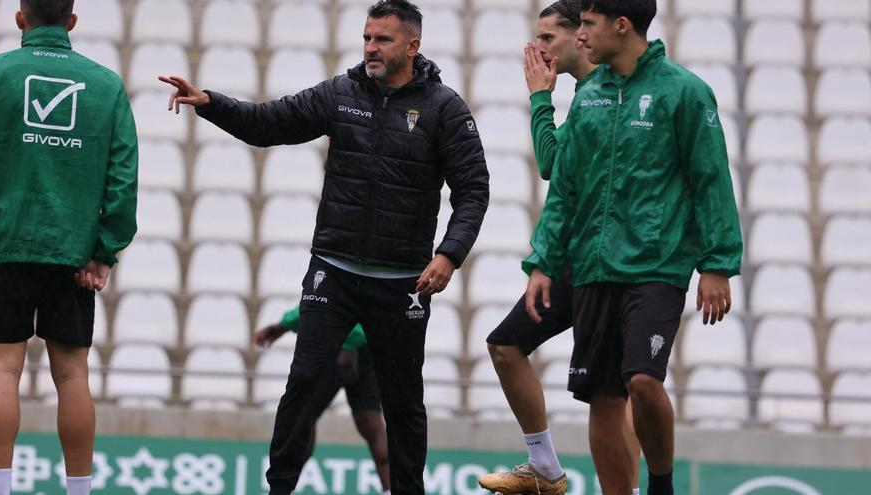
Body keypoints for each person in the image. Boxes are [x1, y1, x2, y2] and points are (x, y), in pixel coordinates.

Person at [159, 1, 489, 492]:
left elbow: (473, 189)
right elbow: (269, 122)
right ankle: (279, 488)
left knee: (402, 402)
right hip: (332, 270)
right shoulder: (341, 93)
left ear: (413, 46)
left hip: (402, 281)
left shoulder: (444, 108)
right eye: (367, 38)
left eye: (383, 39)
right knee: (305, 381)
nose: (370, 48)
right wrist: (211, 102)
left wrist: (449, 254)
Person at [522, 0, 743, 494]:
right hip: (596, 266)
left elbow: (711, 181)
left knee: (643, 382)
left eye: (589, 25)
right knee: (602, 397)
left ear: (622, 26)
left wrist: (717, 264)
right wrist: (543, 261)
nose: (580, 36)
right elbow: (566, 188)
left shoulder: (685, 92)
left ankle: (661, 483)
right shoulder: (589, 96)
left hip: (657, 266)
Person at [479, 2, 640, 494]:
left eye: (549, 37)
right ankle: (545, 469)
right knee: (506, 345)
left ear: (580, 37)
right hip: (577, 255)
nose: (539, 48)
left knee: (619, 390)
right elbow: (559, 166)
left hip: (611, 258)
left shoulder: (606, 94)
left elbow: (551, 164)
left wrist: (538, 99)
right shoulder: (587, 94)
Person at [0, 1, 139, 495]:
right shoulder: (106, 85)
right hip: (73, 251)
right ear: (71, 21)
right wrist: (104, 249)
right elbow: (123, 176)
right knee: (73, 374)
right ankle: (79, 491)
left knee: (0, 368)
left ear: (20, 18)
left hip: (4, 242)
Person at [254, 307, 391, 494]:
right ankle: (282, 488)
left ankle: (281, 488)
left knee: (305, 417)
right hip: (358, 343)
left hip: (341, 343)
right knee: (308, 418)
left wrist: (284, 325)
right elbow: (319, 298)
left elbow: (323, 297)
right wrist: (284, 325)